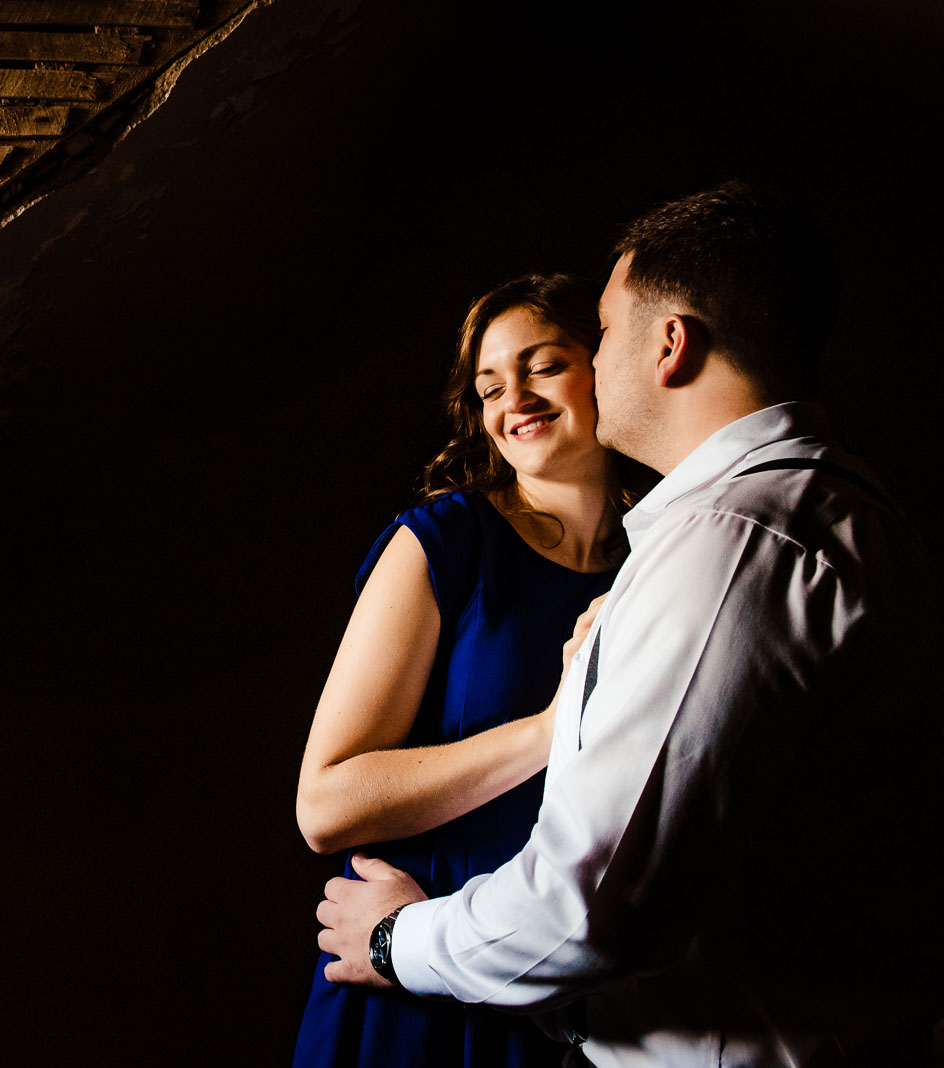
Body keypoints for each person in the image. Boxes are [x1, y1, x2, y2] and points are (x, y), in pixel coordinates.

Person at [315, 181, 944, 1065]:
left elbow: (589, 906)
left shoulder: (726, 546)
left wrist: (401, 941)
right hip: (468, 981)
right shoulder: (793, 519)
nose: (518, 399)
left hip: (522, 970)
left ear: (670, 344)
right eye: (488, 384)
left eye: (594, 339)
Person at [293, 273, 628, 1066]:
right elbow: (326, 804)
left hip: (576, 989)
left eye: (543, 365)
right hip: (409, 980)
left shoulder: (659, 561)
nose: (515, 396)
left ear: (607, 364)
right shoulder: (445, 541)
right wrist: (552, 729)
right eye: (489, 386)